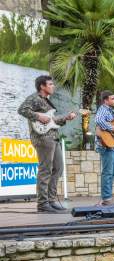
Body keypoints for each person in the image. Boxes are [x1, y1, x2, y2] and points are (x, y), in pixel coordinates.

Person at [17, 75, 77, 213]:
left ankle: (51, 200)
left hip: (53, 137)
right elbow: (22, 110)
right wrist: (38, 116)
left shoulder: (47, 101)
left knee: (58, 168)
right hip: (43, 138)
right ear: (42, 86)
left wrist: (66, 118)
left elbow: (52, 121)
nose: (53, 86)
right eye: (50, 84)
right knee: (45, 169)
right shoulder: (34, 98)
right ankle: (42, 204)